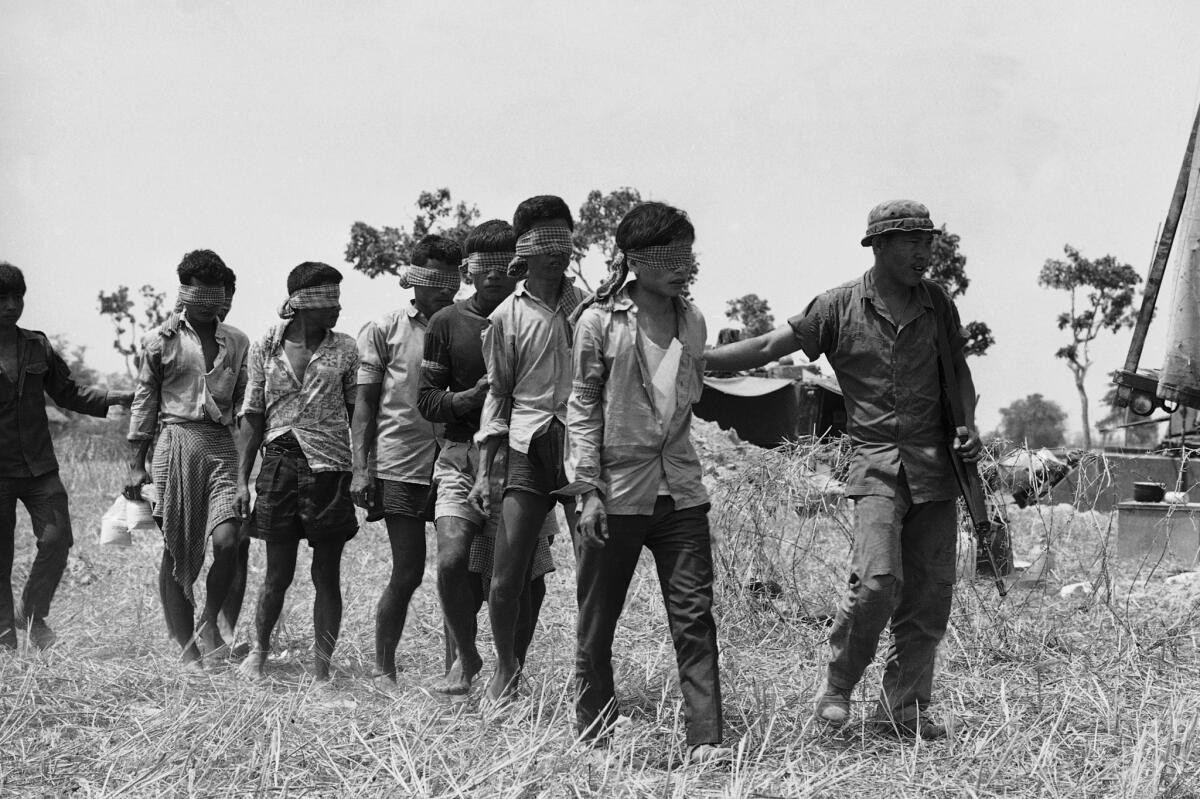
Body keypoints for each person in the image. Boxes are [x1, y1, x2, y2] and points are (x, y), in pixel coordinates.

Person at [704, 200, 981, 740]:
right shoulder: (836, 307)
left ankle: (903, 709)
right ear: (877, 247)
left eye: (928, 243)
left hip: (936, 468)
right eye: (910, 243)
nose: (923, 255)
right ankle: (838, 686)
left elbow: (960, 371)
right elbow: (765, 346)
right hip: (876, 466)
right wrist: (699, 361)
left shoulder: (938, 305)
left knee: (929, 595)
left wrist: (969, 425)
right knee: (877, 581)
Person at [564, 202, 730, 764]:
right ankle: (594, 734)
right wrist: (587, 490)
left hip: (681, 491)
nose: (684, 266)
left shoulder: (695, 321)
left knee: (694, 617)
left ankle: (706, 739)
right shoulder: (596, 322)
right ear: (636, 261)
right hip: (617, 493)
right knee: (597, 619)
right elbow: (582, 407)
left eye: (689, 255)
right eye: (670, 257)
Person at [416, 220, 556, 695]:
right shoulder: (445, 324)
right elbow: (428, 400)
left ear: (518, 266)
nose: (495, 276)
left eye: (504, 266)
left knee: (524, 576)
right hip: (459, 456)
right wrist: (473, 397)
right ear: (467, 270)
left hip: (523, 456)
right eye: (484, 267)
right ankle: (466, 654)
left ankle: (509, 668)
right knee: (453, 560)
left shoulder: (534, 318)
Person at [471, 195, 586, 702]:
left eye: (566, 240)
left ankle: (589, 675)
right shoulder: (506, 317)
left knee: (595, 568)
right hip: (526, 442)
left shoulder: (590, 308)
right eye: (547, 242)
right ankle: (505, 666)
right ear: (527, 249)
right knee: (507, 571)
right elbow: (499, 393)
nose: (559, 253)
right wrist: (483, 470)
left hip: (582, 444)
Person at [125, 249, 250, 669]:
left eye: (217, 293)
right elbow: (144, 402)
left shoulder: (236, 340)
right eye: (201, 293)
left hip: (220, 445)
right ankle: (187, 650)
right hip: (175, 444)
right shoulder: (160, 340)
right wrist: (135, 462)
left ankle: (208, 620)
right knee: (177, 549)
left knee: (229, 542)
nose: (211, 301)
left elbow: (245, 401)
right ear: (184, 292)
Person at [235, 263, 359, 681]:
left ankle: (322, 669)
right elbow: (252, 412)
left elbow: (357, 410)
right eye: (330, 301)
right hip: (280, 463)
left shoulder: (345, 348)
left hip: (330, 467)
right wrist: (241, 480)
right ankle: (259, 652)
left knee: (327, 574)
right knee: (277, 573)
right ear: (305, 303)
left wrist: (365, 468)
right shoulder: (266, 345)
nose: (338, 309)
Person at [0, 262, 133, 650]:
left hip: (39, 467)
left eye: (17, 297)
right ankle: (5, 638)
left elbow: (69, 393)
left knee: (58, 539)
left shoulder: (36, 345)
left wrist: (114, 397)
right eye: (2, 298)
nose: (11, 306)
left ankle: (32, 614)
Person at [351, 235, 460, 683]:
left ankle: (458, 669)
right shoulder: (384, 328)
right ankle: (383, 669)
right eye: (435, 281)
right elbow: (364, 406)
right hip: (401, 463)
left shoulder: (470, 324)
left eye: (451, 280)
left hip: (457, 461)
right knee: (409, 571)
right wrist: (361, 468)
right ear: (413, 280)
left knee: (458, 572)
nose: (445, 290)